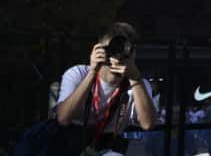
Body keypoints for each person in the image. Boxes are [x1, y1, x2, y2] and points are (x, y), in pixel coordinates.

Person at [54, 22, 157, 155]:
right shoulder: (78, 73)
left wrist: (134, 78)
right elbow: (63, 118)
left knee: (139, 152)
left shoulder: (138, 84)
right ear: (99, 49)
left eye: (123, 48)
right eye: (113, 48)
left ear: (132, 52)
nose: (117, 54)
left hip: (109, 146)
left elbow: (148, 124)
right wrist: (92, 72)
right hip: (72, 144)